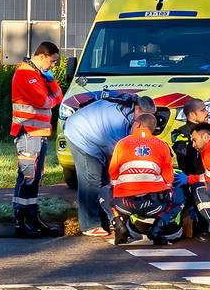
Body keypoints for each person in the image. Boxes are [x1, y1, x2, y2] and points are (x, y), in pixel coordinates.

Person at [64, 92, 157, 237]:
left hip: (96, 133)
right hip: (80, 133)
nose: (148, 120)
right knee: (91, 179)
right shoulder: (117, 121)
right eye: (145, 116)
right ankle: (89, 224)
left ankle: (105, 219)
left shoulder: (131, 115)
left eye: (151, 117)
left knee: (105, 180)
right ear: (137, 110)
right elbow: (118, 155)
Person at [10, 41, 65, 238]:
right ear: (42, 56)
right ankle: (21, 220)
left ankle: (31, 217)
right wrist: (50, 99)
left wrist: (50, 81)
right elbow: (43, 101)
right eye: (52, 61)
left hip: (38, 133)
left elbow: (58, 96)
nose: (53, 66)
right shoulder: (26, 74)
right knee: (27, 177)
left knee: (34, 179)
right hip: (28, 133)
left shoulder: (38, 75)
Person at [106, 113, 177, 245]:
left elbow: (113, 172)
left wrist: (118, 189)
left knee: (104, 192)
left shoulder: (122, 144)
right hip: (155, 204)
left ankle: (119, 224)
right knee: (179, 195)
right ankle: (158, 227)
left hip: (123, 204)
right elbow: (168, 177)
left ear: (138, 125)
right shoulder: (162, 145)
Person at [169, 97, 210, 236]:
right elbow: (184, 155)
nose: (207, 113)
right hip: (191, 178)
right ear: (192, 115)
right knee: (200, 191)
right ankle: (205, 225)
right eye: (203, 110)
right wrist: (200, 137)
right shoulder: (181, 132)